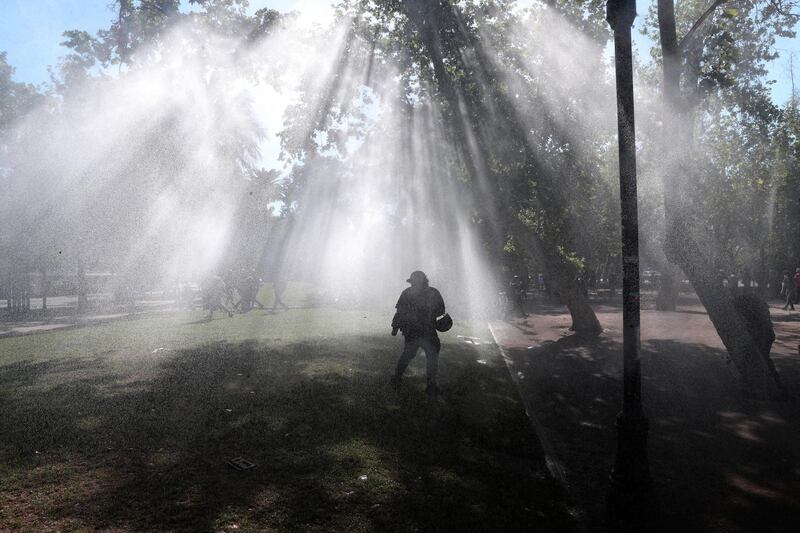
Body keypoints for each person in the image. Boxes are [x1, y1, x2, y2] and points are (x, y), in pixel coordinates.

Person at [390, 270, 446, 398]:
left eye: (413, 282)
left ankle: (397, 378)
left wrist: (395, 327)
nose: (412, 284)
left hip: (413, 331)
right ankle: (431, 386)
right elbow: (441, 310)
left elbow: (399, 312)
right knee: (431, 357)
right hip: (427, 331)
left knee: (409, 354)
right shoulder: (433, 293)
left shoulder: (407, 293)